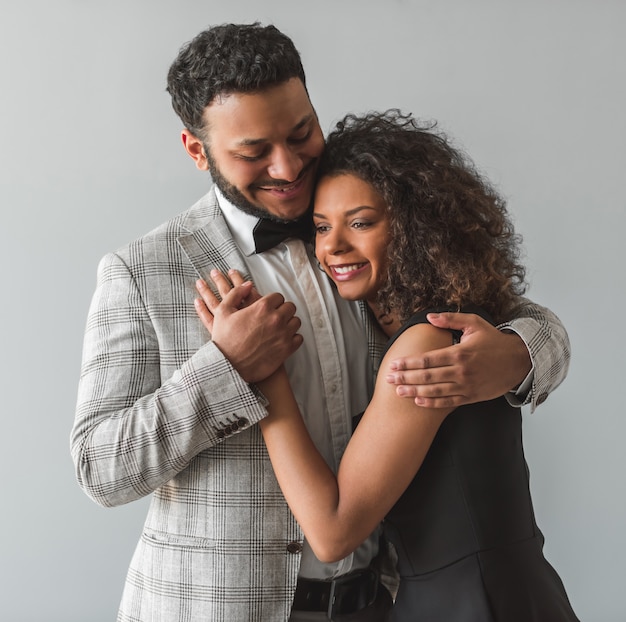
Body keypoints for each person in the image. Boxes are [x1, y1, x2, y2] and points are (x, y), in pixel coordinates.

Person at [70, 23, 570, 622]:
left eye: (301, 132)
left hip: (383, 602)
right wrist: (226, 371)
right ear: (197, 150)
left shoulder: (358, 222)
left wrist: (520, 354)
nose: (288, 166)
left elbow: (519, 313)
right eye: (254, 152)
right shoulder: (144, 271)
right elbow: (99, 468)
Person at [195, 110, 578, 621]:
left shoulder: (425, 343)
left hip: (473, 603)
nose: (332, 248)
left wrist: (261, 371)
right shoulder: (434, 321)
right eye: (322, 227)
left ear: (415, 226)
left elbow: (332, 532)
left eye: (361, 222)